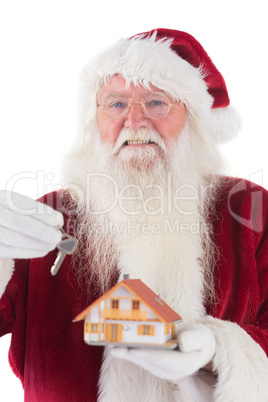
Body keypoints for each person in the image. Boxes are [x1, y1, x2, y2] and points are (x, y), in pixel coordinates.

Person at [0, 28, 268, 401]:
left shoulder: (248, 208)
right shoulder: (49, 216)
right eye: (116, 104)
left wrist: (215, 352)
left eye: (156, 102)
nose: (135, 121)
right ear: (95, 119)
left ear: (190, 118)